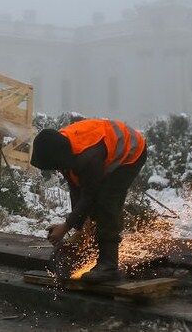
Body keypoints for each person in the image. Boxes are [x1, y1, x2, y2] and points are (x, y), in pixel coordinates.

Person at [30, 118, 147, 283]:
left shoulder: (88, 158)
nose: (56, 170)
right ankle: (91, 242)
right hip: (103, 151)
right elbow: (76, 191)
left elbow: (90, 195)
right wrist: (76, 226)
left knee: (106, 203)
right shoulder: (64, 149)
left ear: (57, 158)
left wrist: (65, 227)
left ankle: (108, 265)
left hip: (131, 153)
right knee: (92, 203)